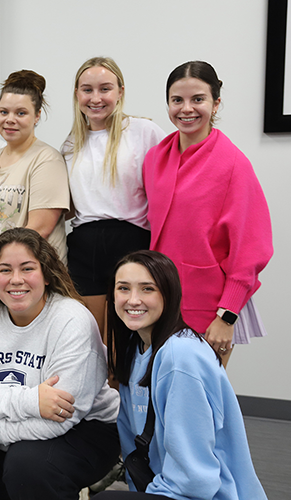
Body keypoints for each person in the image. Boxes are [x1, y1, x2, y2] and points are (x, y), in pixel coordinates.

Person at [0, 227, 120, 500]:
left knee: (28, 466)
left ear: (46, 274)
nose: (15, 279)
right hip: (23, 421)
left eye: (27, 268)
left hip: (88, 427)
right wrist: (34, 401)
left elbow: (61, 417)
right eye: (5, 269)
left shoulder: (71, 320)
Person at [94, 250, 267, 499]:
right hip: (166, 487)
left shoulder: (180, 356)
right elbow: (135, 449)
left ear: (169, 294)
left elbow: (195, 478)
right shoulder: (135, 347)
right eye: (123, 288)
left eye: (147, 289)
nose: (133, 300)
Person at [144, 61, 273, 366]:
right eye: (177, 100)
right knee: (158, 394)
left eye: (198, 99)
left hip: (209, 306)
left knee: (199, 400)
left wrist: (227, 315)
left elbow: (250, 249)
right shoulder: (155, 157)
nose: (186, 109)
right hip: (159, 298)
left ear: (216, 103)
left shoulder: (233, 165)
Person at [61, 57, 166, 336]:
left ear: (120, 91)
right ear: (77, 94)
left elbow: (169, 190)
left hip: (132, 242)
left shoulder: (144, 132)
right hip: (84, 247)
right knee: (91, 338)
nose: (96, 98)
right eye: (87, 90)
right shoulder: (71, 145)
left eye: (105, 89)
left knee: (129, 338)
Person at [0, 70, 69, 294]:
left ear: (37, 116)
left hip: (25, 284)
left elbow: (39, 228)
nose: (10, 119)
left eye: (21, 113)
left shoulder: (47, 159)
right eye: (4, 112)